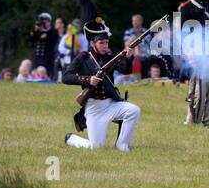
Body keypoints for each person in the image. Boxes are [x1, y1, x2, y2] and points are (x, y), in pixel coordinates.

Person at [63, 17, 140, 151]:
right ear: (92, 43)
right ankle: (71, 139)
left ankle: (122, 145)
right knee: (96, 148)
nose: (105, 46)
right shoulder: (83, 57)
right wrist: (87, 80)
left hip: (111, 104)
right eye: (101, 43)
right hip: (94, 109)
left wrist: (128, 57)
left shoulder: (110, 57)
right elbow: (66, 77)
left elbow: (125, 70)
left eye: (106, 43)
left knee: (133, 110)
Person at [30, 12, 59, 77]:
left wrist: (43, 30)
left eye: (45, 20)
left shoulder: (53, 31)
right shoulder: (37, 31)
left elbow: (50, 40)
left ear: (49, 21)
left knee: (47, 75)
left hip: (48, 58)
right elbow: (32, 40)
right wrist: (36, 30)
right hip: (38, 57)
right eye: (42, 20)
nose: (43, 22)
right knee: (36, 74)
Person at [123, 14, 152, 79]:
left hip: (145, 56)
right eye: (133, 21)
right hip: (132, 55)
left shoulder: (146, 32)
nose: (134, 22)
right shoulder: (128, 32)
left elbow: (147, 42)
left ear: (141, 21)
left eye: (136, 20)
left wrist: (134, 40)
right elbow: (127, 44)